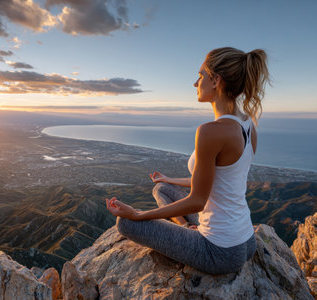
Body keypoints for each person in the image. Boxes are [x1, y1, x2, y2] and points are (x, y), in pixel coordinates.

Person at [106, 47, 270, 275]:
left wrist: (138, 214)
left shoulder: (210, 131)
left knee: (125, 224)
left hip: (219, 251)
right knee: (162, 188)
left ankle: (188, 230)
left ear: (215, 81)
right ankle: (187, 227)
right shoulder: (249, 126)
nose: (196, 83)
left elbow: (197, 201)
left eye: (201, 75)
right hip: (245, 241)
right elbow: (217, 181)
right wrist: (168, 178)